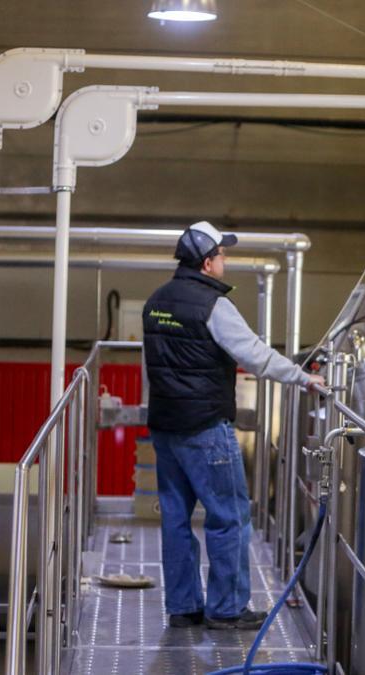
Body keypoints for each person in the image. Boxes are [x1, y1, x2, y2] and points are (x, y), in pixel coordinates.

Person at [142, 221, 324, 630]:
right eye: (223, 254)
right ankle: (226, 609)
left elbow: (150, 365)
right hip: (205, 427)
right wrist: (302, 376)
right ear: (208, 263)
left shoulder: (156, 301)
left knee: (175, 519)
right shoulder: (213, 305)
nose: (226, 260)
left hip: (166, 427)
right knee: (229, 516)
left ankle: (184, 608)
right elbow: (255, 355)